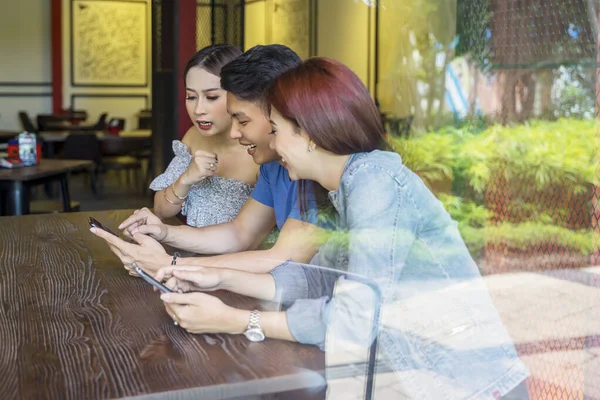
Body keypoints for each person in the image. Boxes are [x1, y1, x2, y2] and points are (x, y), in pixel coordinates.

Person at [151, 58, 530, 399]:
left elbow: (354, 319)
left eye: (277, 129)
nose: (273, 142)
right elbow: (316, 279)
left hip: (465, 386)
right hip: (410, 376)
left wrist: (237, 320)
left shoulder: (376, 185)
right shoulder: (349, 185)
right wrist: (214, 279)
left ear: (310, 133)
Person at [91, 45, 326, 274]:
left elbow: (282, 259)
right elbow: (240, 233)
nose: (234, 133)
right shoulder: (272, 164)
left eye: (242, 121)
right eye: (191, 97)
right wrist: (163, 232)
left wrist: (170, 265)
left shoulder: (318, 170)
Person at [150, 45, 258, 227]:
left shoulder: (261, 151)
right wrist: (186, 178)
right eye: (191, 97)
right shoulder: (193, 138)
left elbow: (247, 235)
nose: (198, 110)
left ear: (239, 94)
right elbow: (161, 210)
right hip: (196, 250)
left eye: (212, 97)